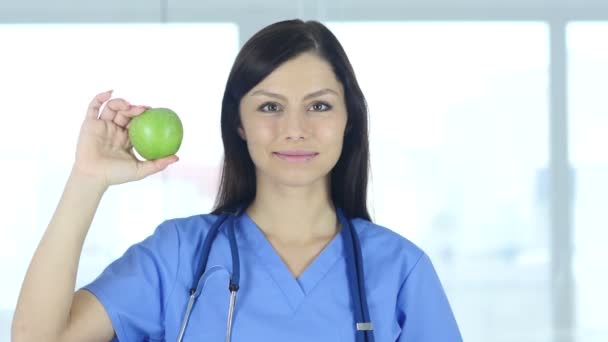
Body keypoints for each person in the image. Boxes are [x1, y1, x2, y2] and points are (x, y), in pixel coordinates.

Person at [12, 19, 462, 341]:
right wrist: (87, 179)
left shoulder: (400, 271)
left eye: (319, 105)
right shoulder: (179, 256)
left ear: (349, 119)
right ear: (239, 124)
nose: (295, 128)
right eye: (269, 106)